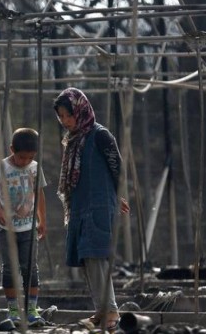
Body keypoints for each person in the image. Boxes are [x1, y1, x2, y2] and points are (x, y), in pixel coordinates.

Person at [52, 87, 130, 331]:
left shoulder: (100, 135)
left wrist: (119, 196)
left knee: (96, 255)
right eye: (61, 117)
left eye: (68, 115)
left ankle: (111, 311)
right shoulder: (74, 140)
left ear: (80, 110)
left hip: (98, 204)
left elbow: (117, 167)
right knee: (86, 258)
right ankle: (101, 309)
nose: (65, 121)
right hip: (80, 206)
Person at [0, 128, 48, 328]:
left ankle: (31, 310)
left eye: (30, 157)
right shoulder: (1, 166)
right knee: (11, 268)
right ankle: (13, 310)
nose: (25, 162)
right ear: (12, 149)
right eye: (22, 157)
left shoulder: (35, 168)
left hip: (29, 226)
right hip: (6, 228)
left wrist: (42, 219)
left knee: (30, 267)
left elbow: (40, 194)